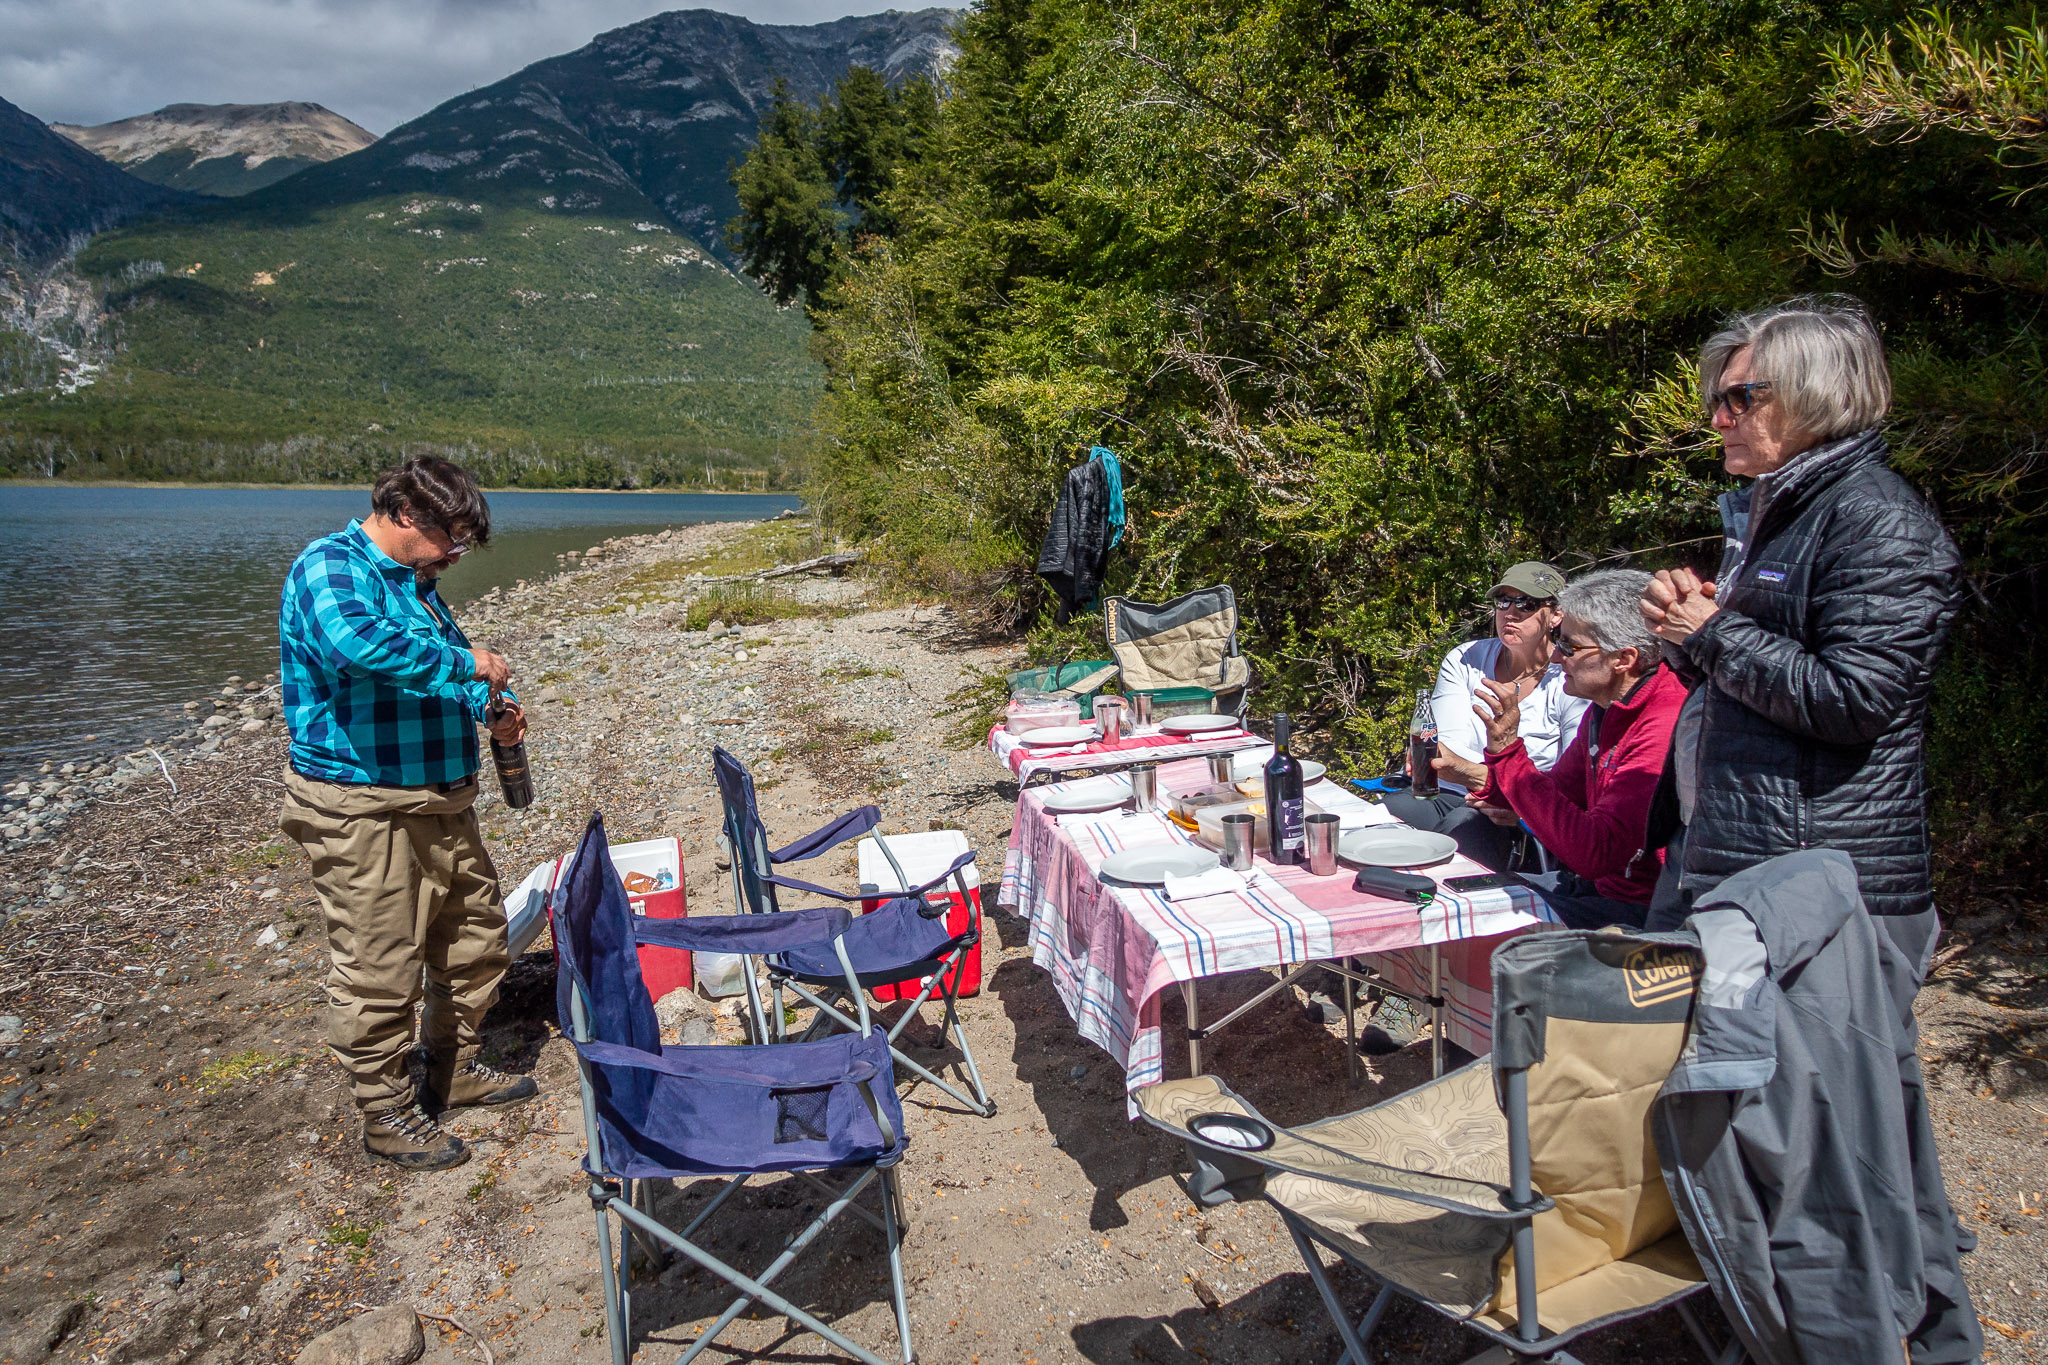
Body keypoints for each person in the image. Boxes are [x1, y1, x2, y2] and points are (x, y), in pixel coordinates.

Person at [1639, 296, 1977, 1363]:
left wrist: (1714, 633)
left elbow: (1853, 701)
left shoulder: (1878, 521)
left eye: (1739, 397)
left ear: (1814, 398)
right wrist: (1686, 630)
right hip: (1749, 874)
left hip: (1828, 899)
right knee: (1779, 1141)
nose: (1716, 418)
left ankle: (1864, 1337)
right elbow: (1754, 681)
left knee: (1833, 1162)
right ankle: (1826, 1328)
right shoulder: (1779, 514)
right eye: (1715, 397)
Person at [277, 455, 536, 1172]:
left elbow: (431, 676)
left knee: (476, 938)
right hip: (364, 806)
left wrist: (488, 712)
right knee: (379, 963)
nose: (454, 556)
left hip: (441, 797)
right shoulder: (330, 568)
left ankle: (453, 1067)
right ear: (403, 514)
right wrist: (471, 664)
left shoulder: (418, 588)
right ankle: (387, 1111)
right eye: (449, 539)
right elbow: (362, 646)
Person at [1467, 569, 1686, 928]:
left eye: (1569, 646)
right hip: (1597, 890)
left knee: (1482, 928)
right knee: (1460, 897)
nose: (1556, 658)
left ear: (1624, 658)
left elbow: (1594, 853)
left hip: (1644, 913)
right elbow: (1557, 793)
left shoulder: (1662, 722)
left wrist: (1508, 752)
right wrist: (1496, 778)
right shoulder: (1609, 706)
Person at [1384, 562, 1588, 867]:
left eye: (1527, 603)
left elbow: (1572, 778)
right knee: (1387, 815)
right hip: (1449, 793)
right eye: (1503, 601)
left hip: (1525, 813)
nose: (1511, 612)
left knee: (1466, 828)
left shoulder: (1570, 676)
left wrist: (1507, 791)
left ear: (1556, 615)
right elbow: (1443, 753)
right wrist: (1478, 775)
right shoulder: (1467, 659)